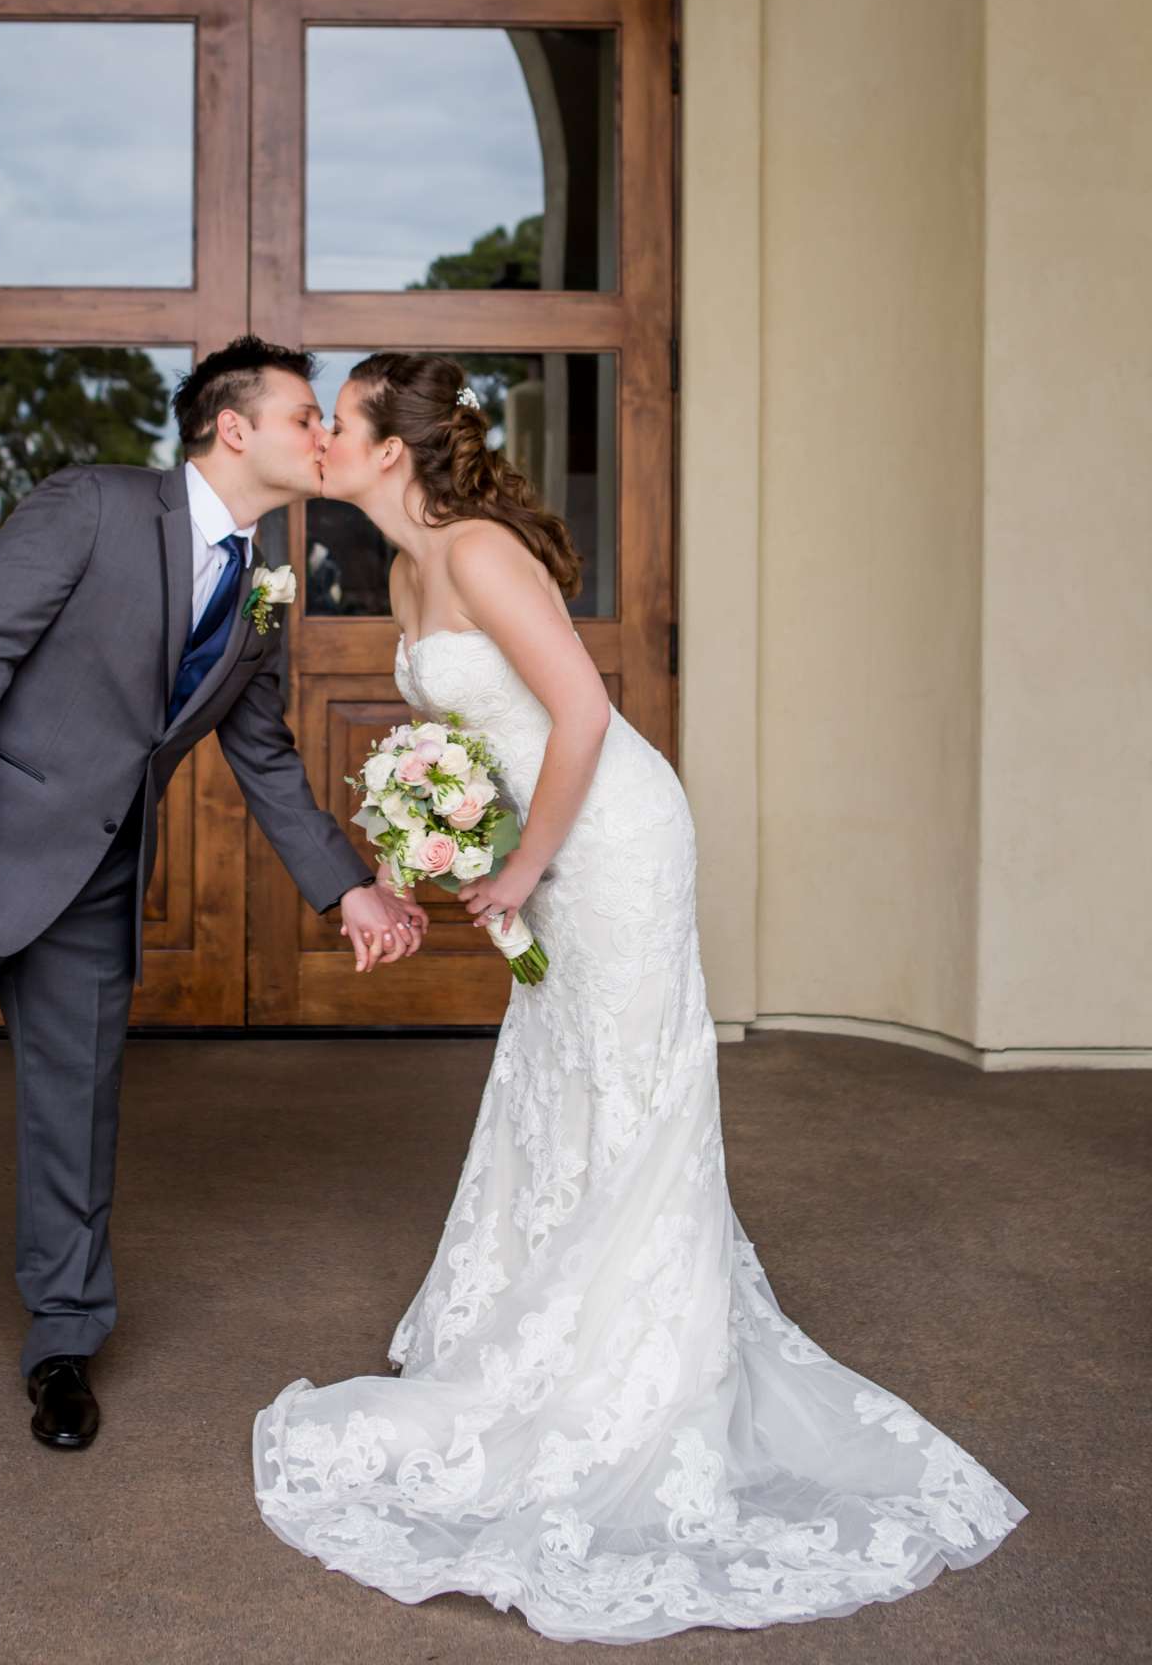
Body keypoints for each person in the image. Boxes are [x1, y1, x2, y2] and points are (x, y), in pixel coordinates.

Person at [253, 350, 1026, 1644]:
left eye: (336, 421)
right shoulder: (399, 568)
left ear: (391, 450)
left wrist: (524, 867)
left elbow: (582, 713)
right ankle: (534, 1323)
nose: (320, 439)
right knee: (557, 1076)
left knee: (627, 1077)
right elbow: (457, 745)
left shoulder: (484, 549)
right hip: (546, 845)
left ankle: (634, 1369)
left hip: (611, 840)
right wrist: (409, 853)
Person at [0, 337, 426, 1495]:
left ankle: (63, 1348)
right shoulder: (91, 506)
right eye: (305, 416)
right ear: (235, 429)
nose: (322, 434)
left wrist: (350, 882)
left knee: (75, 1127)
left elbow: (263, 753)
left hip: (95, 883)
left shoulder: (262, 586)